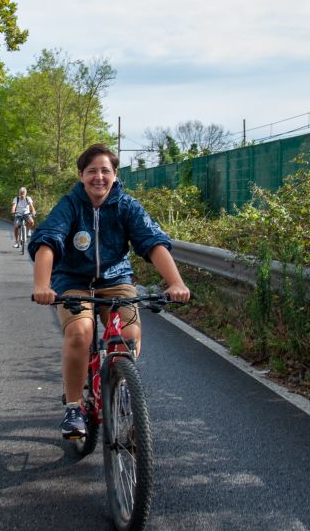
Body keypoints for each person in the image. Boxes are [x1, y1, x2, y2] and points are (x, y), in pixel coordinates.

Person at [29, 143, 191, 439]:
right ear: (81, 175)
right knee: (80, 332)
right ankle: (75, 407)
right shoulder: (70, 205)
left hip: (116, 278)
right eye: (92, 171)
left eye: (105, 171)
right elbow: (47, 242)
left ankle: (123, 391)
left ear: (115, 174)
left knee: (129, 334)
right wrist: (42, 284)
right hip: (73, 279)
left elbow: (152, 242)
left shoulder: (127, 206)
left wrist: (175, 282)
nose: (99, 177)